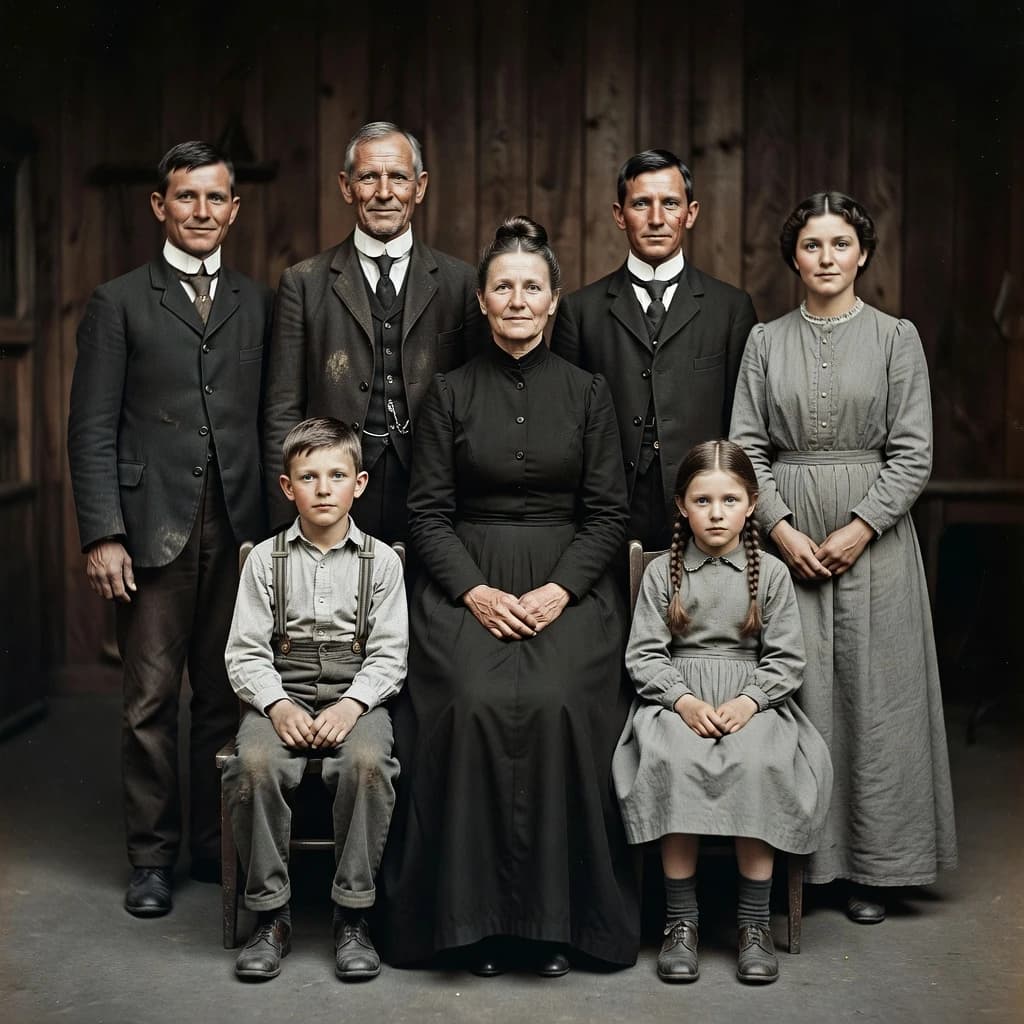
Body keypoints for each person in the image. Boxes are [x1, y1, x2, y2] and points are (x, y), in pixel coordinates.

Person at [380, 216, 639, 975]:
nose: (517, 300)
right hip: (468, 578)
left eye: (532, 287)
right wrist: (475, 592)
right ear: (483, 301)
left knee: (558, 700)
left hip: (570, 581)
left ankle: (554, 925)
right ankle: (472, 926)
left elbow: (609, 514)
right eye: (503, 287)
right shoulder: (449, 393)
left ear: (554, 301)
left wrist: (560, 589)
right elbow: (427, 514)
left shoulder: (589, 394)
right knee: (469, 700)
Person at [729, 191, 958, 924]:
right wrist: (780, 529)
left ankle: (872, 868)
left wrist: (863, 526)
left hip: (876, 545)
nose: (826, 258)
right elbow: (746, 449)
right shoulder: (765, 341)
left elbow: (913, 452)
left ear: (862, 255)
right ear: (793, 258)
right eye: (811, 245)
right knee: (799, 694)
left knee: (875, 699)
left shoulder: (896, 338)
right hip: (789, 539)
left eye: (840, 244)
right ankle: (802, 865)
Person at [67, 141, 273, 917]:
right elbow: (91, 427)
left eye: (215, 198)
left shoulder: (259, 302)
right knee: (149, 699)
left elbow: (269, 418)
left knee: (224, 694)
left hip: (241, 526)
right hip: (151, 526)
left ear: (234, 209)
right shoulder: (118, 301)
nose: (201, 211)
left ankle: (214, 846)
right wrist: (103, 533)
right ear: (160, 205)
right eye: (186, 196)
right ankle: (151, 857)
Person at [613, 440, 832, 984]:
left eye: (730, 500)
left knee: (757, 762)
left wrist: (749, 700)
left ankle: (754, 922)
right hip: (676, 699)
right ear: (682, 506)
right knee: (674, 759)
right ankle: (680, 920)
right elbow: (644, 654)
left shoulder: (771, 574)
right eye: (703, 500)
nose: (716, 513)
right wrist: (682, 700)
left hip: (752, 701)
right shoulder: (664, 573)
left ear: (752, 504)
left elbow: (786, 659)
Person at [223, 417, 407, 982]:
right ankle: (271, 914)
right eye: (308, 477)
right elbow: (245, 652)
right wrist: (276, 704)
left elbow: (390, 654)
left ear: (360, 483)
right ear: (287, 487)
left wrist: (354, 705)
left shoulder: (382, 562)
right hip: (283, 689)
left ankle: (352, 914)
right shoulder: (264, 560)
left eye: (336, 476)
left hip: (357, 694)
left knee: (368, 763)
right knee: (254, 765)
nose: (323, 489)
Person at [262, 120, 487, 543]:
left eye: (398, 177)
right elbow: (282, 412)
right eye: (368, 177)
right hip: (333, 496)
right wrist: (284, 521)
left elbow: (478, 403)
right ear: (347, 187)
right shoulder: (303, 283)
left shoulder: (461, 283)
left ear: (420, 187)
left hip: (435, 495)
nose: (384, 192)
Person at [550, 149, 757, 550]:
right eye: (641, 203)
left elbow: (742, 421)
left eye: (671, 203)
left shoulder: (731, 309)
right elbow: (565, 425)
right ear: (619, 214)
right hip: (607, 508)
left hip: (704, 509)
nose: (657, 218)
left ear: (691, 213)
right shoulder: (581, 310)